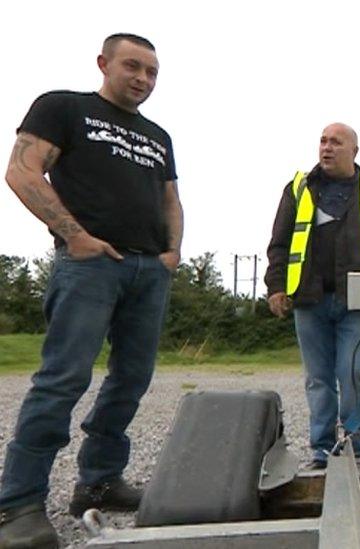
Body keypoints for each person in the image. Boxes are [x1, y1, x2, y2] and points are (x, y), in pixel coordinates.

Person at [0, 33, 180, 547]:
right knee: (62, 379)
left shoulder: (158, 137)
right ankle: (18, 505)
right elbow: (21, 170)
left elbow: (171, 197)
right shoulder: (62, 108)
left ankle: (98, 482)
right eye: (132, 66)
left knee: (131, 380)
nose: (142, 78)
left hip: (149, 270)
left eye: (151, 72)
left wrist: (172, 253)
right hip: (89, 267)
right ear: (103, 63)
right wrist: (74, 235)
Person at [265, 123, 360, 467]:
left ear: (354, 151)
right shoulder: (298, 188)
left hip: (359, 300)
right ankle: (322, 450)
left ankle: (356, 447)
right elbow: (279, 243)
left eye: (336, 142)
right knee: (318, 378)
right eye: (322, 141)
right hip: (308, 300)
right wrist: (276, 286)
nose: (327, 148)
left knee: (353, 372)